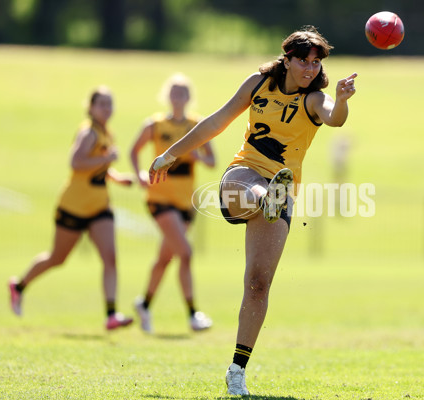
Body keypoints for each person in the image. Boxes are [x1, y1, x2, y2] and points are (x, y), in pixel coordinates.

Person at [148, 26, 357, 396]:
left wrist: (341, 99)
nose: (310, 69)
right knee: (252, 186)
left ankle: (237, 370)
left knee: (258, 284)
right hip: (242, 176)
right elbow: (215, 121)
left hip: (283, 194)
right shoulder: (259, 84)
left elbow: (334, 118)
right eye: (303, 61)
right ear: (288, 59)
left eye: (315, 63)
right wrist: (170, 154)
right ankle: (267, 197)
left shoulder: (314, 99)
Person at [8, 86, 134, 330]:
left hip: (99, 206)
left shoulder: (107, 133)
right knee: (57, 258)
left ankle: (111, 314)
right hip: (74, 206)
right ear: (91, 107)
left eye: (110, 104)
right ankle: (19, 286)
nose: (107, 108)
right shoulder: (88, 132)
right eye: (102, 104)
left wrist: (118, 178)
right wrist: (107, 159)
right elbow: (76, 162)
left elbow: (97, 169)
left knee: (110, 257)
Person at [130, 73, 216, 333]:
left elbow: (212, 161)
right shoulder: (154, 125)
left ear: (189, 97)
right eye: (174, 92)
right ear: (167, 96)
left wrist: (196, 156)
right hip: (160, 198)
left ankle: (144, 304)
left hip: (185, 203)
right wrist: (139, 175)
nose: (178, 97)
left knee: (165, 259)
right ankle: (193, 314)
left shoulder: (197, 125)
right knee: (186, 254)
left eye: (183, 92)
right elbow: (134, 151)